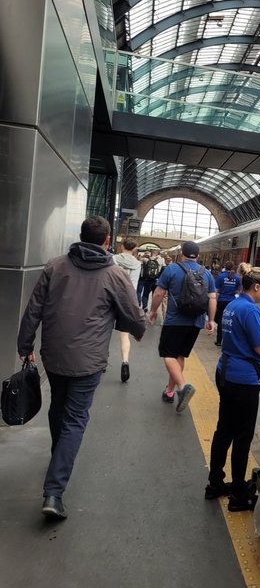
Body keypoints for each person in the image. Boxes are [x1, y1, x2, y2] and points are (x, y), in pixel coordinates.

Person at [17, 216, 146, 520]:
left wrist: (25, 345)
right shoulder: (115, 275)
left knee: (57, 408)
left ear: (80, 236)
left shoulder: (55, 265)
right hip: (88, 361)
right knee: (75, 420)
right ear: (106, 241)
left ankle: (58, 457)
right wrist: (135, 329)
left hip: (54, 354)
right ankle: (54, 491)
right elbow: (132, 313)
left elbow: (33, 308)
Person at [205, 267, 260, 511]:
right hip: (243, 380)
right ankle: (239, 494)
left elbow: (241, 336)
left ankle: (215, 483)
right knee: (242, 437)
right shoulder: (250, 308)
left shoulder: (233, 305)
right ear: (257, 287)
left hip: (226, 372)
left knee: (223, 431)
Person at [148, 241, 217, 413]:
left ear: (181, 254)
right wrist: (211, 320)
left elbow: (158, 293)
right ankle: (170, 392)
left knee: (167, 354)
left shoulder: (172, 269)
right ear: (198, 256)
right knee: (180, 355)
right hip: (195, 322)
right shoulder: (206, 273)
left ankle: (182, 386)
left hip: (174, 321)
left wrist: (153, 311)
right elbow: (212, 298)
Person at [113, 237, 141, 382]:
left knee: (103, 329)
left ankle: (102, 359)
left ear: (122, 246)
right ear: (135, 249)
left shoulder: (113, 259)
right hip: (127, 300)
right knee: (125, 335)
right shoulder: (138, 264)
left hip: (111, 297)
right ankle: (125, 361)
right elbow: (134, 284)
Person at [214, 261, 240, 347]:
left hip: (221, 301)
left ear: (225, 267)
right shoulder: (237, 277)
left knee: (221, 320)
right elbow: (238, 291)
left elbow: (216, 290)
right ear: (233, 267)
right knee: (230, 321)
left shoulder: (221, 276)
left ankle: (218, 341)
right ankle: (229, 341)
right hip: (232, 302)